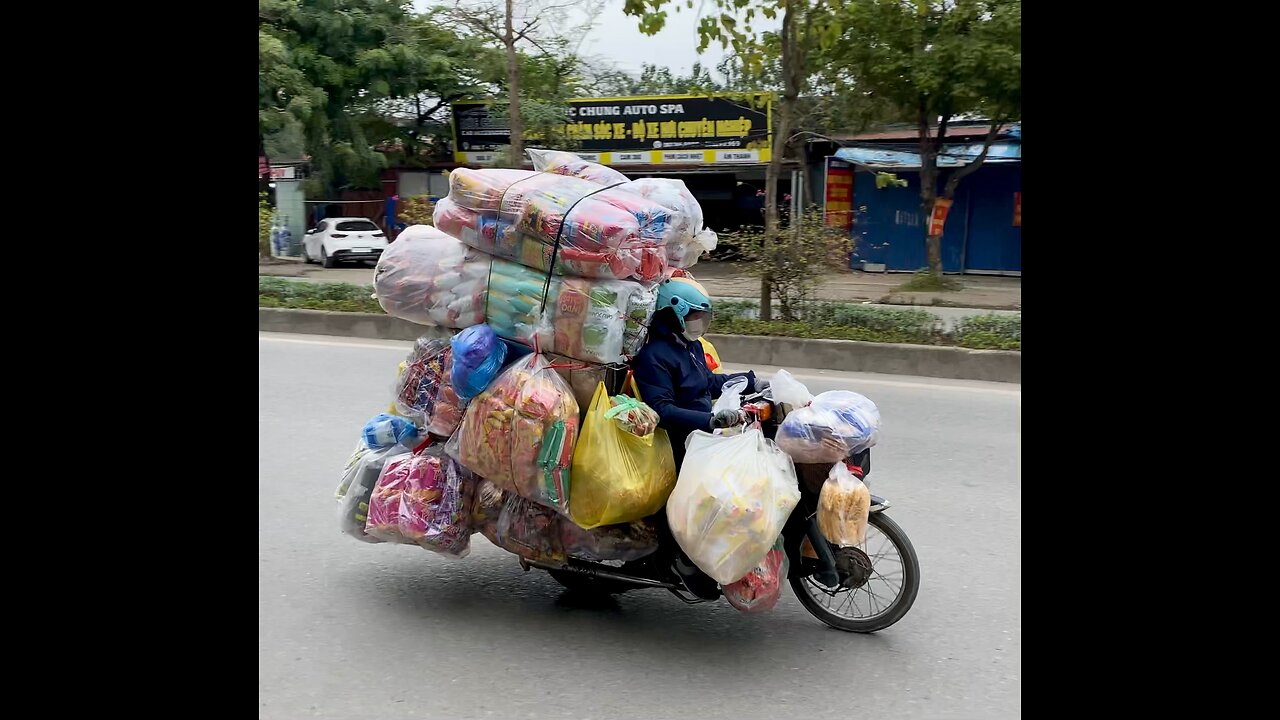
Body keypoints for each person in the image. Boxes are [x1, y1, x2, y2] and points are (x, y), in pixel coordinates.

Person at [629, 276, 770, 597]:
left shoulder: (688, 347)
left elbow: (707, 382)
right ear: (671, 314)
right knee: (703, 497)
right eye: (693, 317)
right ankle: (680, 558)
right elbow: (662, 410)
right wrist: (711, 420)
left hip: (703, 433)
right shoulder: (654, 357)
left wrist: (749, 381)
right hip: (678, 439)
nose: (698, 325)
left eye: (701, 318)